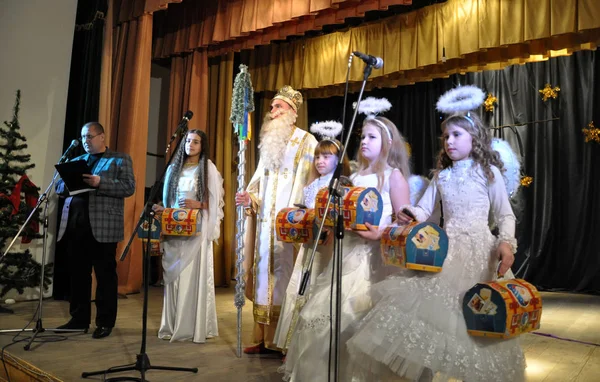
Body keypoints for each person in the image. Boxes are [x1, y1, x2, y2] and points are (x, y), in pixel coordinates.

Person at [346, 111, 526, 382]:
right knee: (435, 317)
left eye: (457, 135)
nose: (449, 142)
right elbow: (424, 209)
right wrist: (409, 212)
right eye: (446, 137)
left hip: (480, 254)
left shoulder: (488, 174)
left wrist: (506, 244)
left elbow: (505, 215)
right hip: (448, 250)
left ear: (474, 137)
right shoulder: (442, 176)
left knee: (478, 318)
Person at [281, 116, 412, 381]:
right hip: (344, 255)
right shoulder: (352, 177)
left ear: (387, 142)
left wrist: (379, 233)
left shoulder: (392, 177)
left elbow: (404, 226)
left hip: (373, 262)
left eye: (371, 137)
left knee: (353, 318)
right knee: (321, 316)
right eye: (362, 136)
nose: (364, 141)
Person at [235, 85, 318, 355]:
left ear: (293, 112)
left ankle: (284, 341)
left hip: (289, 223)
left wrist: (295, 214)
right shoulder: (269, 142)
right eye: (271, 107)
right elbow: (259, 181)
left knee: (286, 275)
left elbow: (309, 182)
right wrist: (250, 198)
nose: (271, 112)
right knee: (262, 274)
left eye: (278, 107)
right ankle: (261, 337)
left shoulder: (306, 141)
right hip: (264, 225)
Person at [55, 122, 135, 339]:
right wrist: (70, 183)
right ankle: (78, 320)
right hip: (75, 225)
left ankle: (105, 322)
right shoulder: (75, 161)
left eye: (90, 136)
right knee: (78, 275)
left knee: (105, 276)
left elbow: (129, 187)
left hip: (103, 227)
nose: (86, 141)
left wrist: (101, 182)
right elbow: (58, 187)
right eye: (83, 137)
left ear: (102, 137)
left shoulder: (119, 159)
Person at [273, 138, 351, 352]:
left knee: (320, 287)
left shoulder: (340, 185)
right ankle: (295, 344)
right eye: (317, 156)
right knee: (301, 286)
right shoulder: (310, 186)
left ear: (339, 159)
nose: (320, 161)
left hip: (328, 246)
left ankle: (318, 346)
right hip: (310, 245)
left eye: (326, 156)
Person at [152, 129, 224, 343]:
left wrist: (198, 204)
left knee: (192, 274)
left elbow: (217, 201)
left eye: (196, 142)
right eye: (188, 141)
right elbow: (168, 199)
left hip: (196, 228)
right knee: (175, 278)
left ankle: (193, 327)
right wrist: (162, 211)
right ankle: (172, 324)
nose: (190, 145)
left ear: (203, 146)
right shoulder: (174, 167)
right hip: (175, 226)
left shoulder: (208, 168)